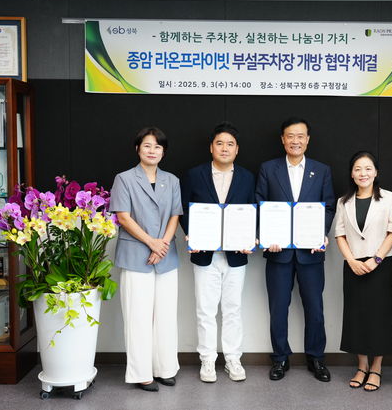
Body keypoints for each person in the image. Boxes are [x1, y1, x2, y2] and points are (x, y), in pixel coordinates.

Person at [255, 117, 335, 382]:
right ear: (283, 139)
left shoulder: (321, 170)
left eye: (300, 136)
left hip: (310, 253)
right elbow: (260, 204)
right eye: (290, 136)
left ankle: (316, 358)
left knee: (315, 308)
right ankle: (280, 358)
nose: (295, 141)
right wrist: (266, 235)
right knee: (278, 309)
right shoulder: (269, 169)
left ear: (308, 140)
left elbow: (328, 206)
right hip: (278, 253)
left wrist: (320, 234)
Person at [180, 122, 255, 383]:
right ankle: (208, 360)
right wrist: (190, 234)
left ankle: (233, 358)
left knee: (233, 309)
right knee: (205, 309)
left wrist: (250, 238)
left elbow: (252, 210)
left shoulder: (247, 177)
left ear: (237, 149)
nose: (225, 148)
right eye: (220, 143)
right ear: (211, 147)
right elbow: (184, 209)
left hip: (236, 254)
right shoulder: (195, 174)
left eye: (230, 144)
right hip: (204, 253)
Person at [110, 127, 183, 392]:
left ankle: (165, 368)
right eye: (147, 146)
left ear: (163, 151)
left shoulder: (172, 180)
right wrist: (151, 243)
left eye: (157, 147)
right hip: (135, 255)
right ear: (137, 149)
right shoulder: (124, 179)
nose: (152, 151)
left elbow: (175, 215)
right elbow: (123, 217)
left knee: (166, 316)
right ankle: (141, 373)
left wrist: (161, 245)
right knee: (137, 317)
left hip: (165, 256)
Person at [334, 151, 392, 392]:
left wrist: (376, 259)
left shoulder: (389, 198)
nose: (363, 173)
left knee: (379, 316)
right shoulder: (343, 202)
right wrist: (351, 260)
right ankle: (361, 366)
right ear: (352, 174)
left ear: (376, 172)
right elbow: (340, 234)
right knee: (357, 316)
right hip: (353, 266)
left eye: (368, 168)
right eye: (358, 169)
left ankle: (376, 368)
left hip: (380, 265)